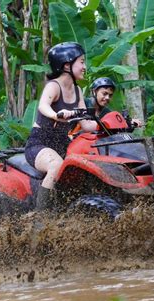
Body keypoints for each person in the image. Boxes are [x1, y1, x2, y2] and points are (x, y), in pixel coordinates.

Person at [25, 42, 97, 210]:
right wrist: (56, 114)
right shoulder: (53, 86)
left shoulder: (78, 91)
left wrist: (115, 124)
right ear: (66, 65)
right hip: (40, 143)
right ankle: (40, 216)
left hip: (63, 143)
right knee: (56, 165)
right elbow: (43, 106)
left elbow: (86, 124)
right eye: (81, 62)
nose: (84, 66)